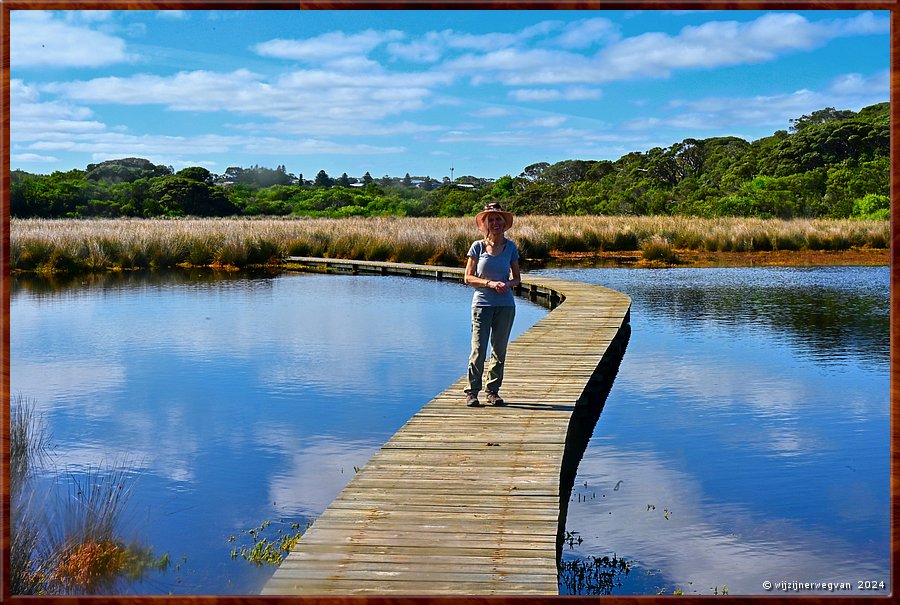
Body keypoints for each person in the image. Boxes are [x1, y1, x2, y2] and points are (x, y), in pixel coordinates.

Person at [463, 202, 521, 407]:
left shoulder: (511, 247)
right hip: (482, 305)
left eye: (498, 219)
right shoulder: (477, 247)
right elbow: (468, 278)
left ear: (504, 224)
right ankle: (472, 391)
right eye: (491, 220)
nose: (495, 223)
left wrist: (507, 284)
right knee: (478, 349)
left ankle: (493, 391)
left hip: (505, 306)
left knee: (499, 349)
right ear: (485, 224)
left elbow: (517, 279)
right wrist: (489, 283)